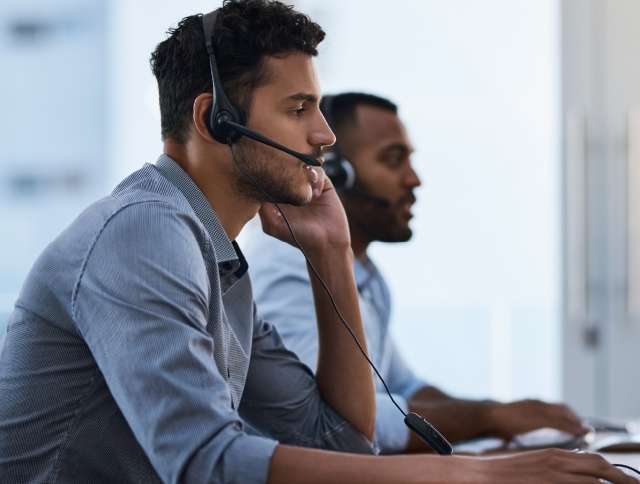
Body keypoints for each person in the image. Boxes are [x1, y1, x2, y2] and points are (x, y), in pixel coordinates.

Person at [0, 2, 634, 483]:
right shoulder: (142, 233)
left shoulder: (221, 266)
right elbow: (205, 462)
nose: (324, 135)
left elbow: (344, 445)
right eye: (299, 109)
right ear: (212, 120)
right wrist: (473, 474)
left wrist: (331, 254)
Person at [245, 92, 587, 453]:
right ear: (334, 174)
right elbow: (337, 423)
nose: (414, 180)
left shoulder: (365, 276)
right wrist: (489, 418)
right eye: (394, 160)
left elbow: (403, 388)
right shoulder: (288, 265)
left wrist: (507, 417)